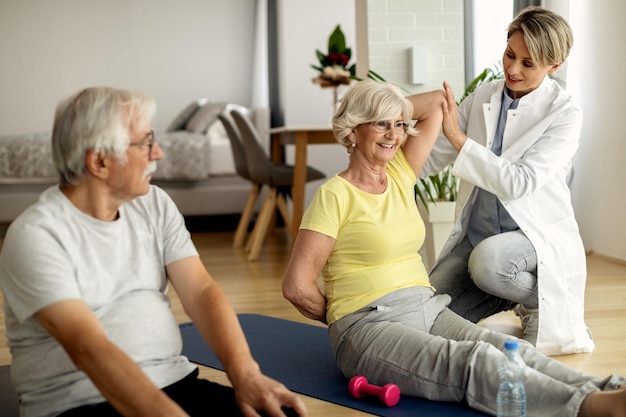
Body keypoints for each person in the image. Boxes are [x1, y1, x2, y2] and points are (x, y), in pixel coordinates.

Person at [282, 79, 626, 416]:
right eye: (381, 125)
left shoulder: (399, 174)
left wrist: (385, 105)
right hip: (368, 325)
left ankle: (608, 389)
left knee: (508, 349)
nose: (394, 135)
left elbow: (435, 104)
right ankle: (590, 408)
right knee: (477, 362)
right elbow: (297, 287)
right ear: (353, 131)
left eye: (400, 124)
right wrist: (346, 313)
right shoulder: (334, 196)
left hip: (425, 306)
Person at [0, 87, 306, 417]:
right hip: (79, 401)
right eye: (145, 143)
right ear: (100, 161)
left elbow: (201, 291)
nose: (158, 153)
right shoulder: (36, 236)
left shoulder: (154, 203)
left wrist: (246, 375)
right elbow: (88, 348)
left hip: (174, 382)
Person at [422, 6, 593, 355]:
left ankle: (542, 302)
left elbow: (519, 182)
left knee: (490, 263)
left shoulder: (564, 114)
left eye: (528, 64)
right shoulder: (484, 96)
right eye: (510, 54)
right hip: (479, 238)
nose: (513, 69)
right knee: (427, 321)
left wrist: (458, 138)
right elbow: (432, 156)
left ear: (553, 66)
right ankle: (505, 293)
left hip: (529, 239)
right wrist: (379, 168)